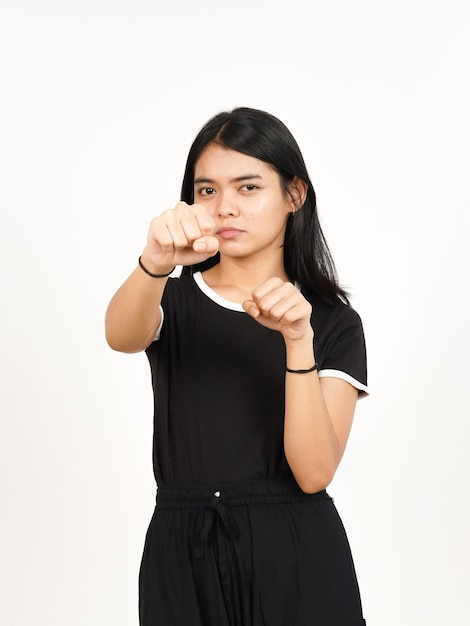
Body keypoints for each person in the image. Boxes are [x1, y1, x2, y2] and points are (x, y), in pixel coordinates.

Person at [105, 107, 369, 626]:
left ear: (294, 195)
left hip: (293, 550)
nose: (225, 206)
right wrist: (155, 260)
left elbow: (313, 474)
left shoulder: (333, 322)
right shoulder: (171, 299)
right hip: (183, 547)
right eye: (207, 190)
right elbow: (121, 336)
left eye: (248, 188)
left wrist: (298, 340)